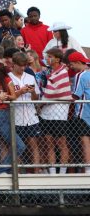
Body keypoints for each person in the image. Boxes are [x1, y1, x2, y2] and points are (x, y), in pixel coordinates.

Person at [40, 47, 72, 175]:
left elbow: (52, 92)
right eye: (47, 56)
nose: (47, 59)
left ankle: (63, 172)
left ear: (57, 59)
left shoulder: (63, 72)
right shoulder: (50, 72)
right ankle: (53, 172)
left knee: (61, 143)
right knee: (49, 143)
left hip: (59, 113)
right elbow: (47, 92)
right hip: (47, 112)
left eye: (50, 56)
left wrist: (43, 99)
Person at [9, 52, 42, 173]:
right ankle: (18, 174)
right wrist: (20, 92)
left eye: (25, 65)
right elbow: (8, 97)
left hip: (31, 117)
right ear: (14, 64)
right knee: (16, 147)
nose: (23, 68)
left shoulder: (30, 77)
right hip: (16, 117)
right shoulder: (9, 77)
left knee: (33, 145)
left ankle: (36, 172)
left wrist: (32, 92)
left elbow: (36, 99)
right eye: (20, 65)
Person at [70, 51, 90, 173]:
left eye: (72, 64)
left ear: (78, 62)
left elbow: (76, 95)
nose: (71, 67)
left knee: (85, 142)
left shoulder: (80, 75)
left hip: (83, 114)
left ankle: (88, 170)